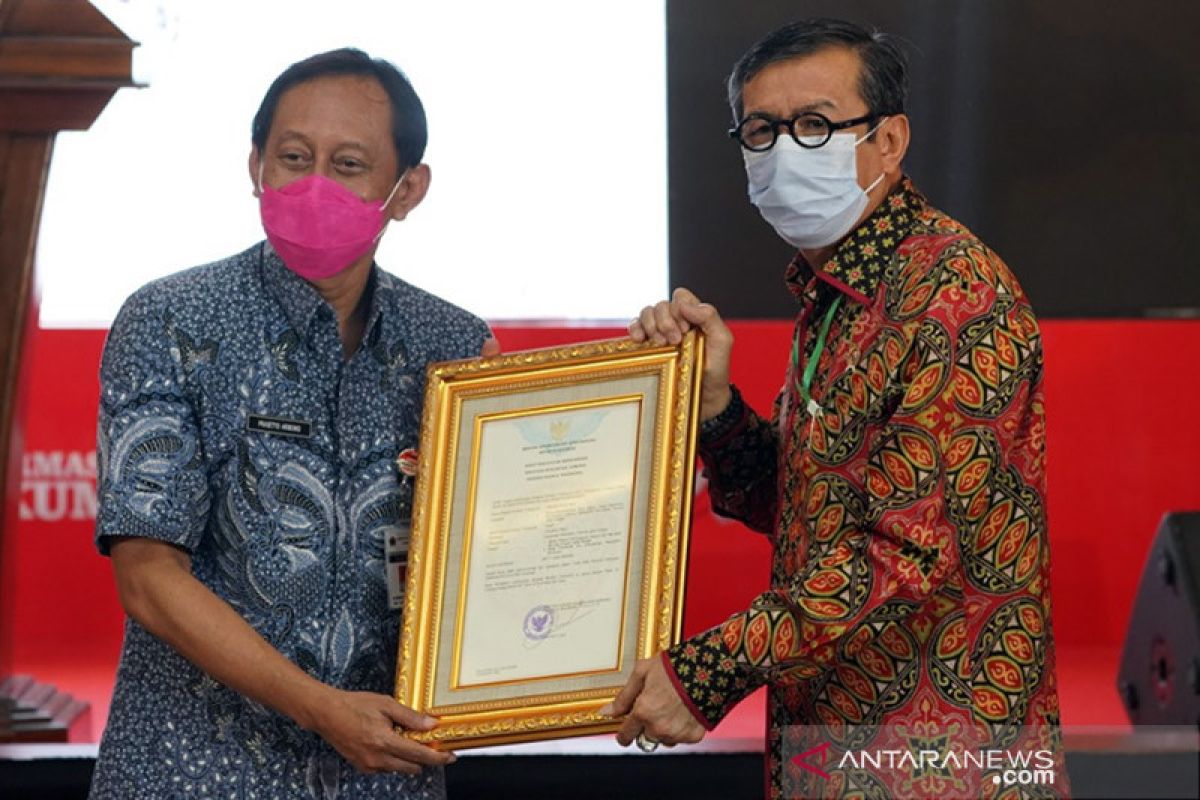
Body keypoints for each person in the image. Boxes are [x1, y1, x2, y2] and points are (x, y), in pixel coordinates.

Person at [605, 18, 1069, 799]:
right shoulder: (842, 295)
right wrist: (715, 405)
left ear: (888, 142)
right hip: (832, 750)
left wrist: (704, 673)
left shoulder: (952, 294)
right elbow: (802, 512)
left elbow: (899, 557)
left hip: (941, 765)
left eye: (816, 124)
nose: (786, 150)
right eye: (762, 130)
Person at [89, 48, 496, 799]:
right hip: (194, 774)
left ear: (407, 190)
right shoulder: (172, 320)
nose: (313, 185)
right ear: (255, 167)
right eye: (292, 157)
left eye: (347, 164)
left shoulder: (455, 348)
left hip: (388, 778)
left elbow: (491, 571)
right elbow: (147, 578)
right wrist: (323, 710)